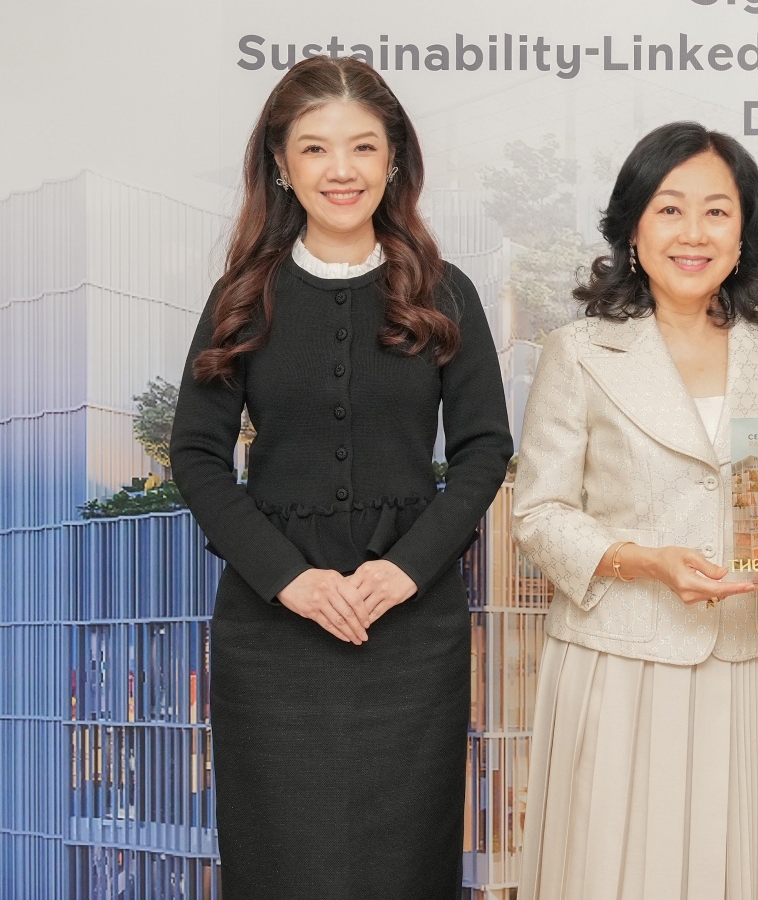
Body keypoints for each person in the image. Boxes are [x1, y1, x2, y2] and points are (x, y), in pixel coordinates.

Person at [169, 57, 513, 898]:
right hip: (272, 631)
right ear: (281, 164)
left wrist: (404, 571)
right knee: (282, 863)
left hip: (412, 628)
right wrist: (288, 579)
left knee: (405, 864)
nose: (341, 170)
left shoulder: (444, 293)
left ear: (394, 159)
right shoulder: (241, 297)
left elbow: (484, 449)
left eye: (363, 146)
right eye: (315, 148)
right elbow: (197, 455)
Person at [512, 122, 758, 900]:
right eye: (670, 209)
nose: (694, 233)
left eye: (717, 212)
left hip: (752, 658)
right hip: (621, 659)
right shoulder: (578, 351)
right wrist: (646, 562)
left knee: (744, 871)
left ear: (745, 232)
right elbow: (540, 513)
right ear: (633, 227)